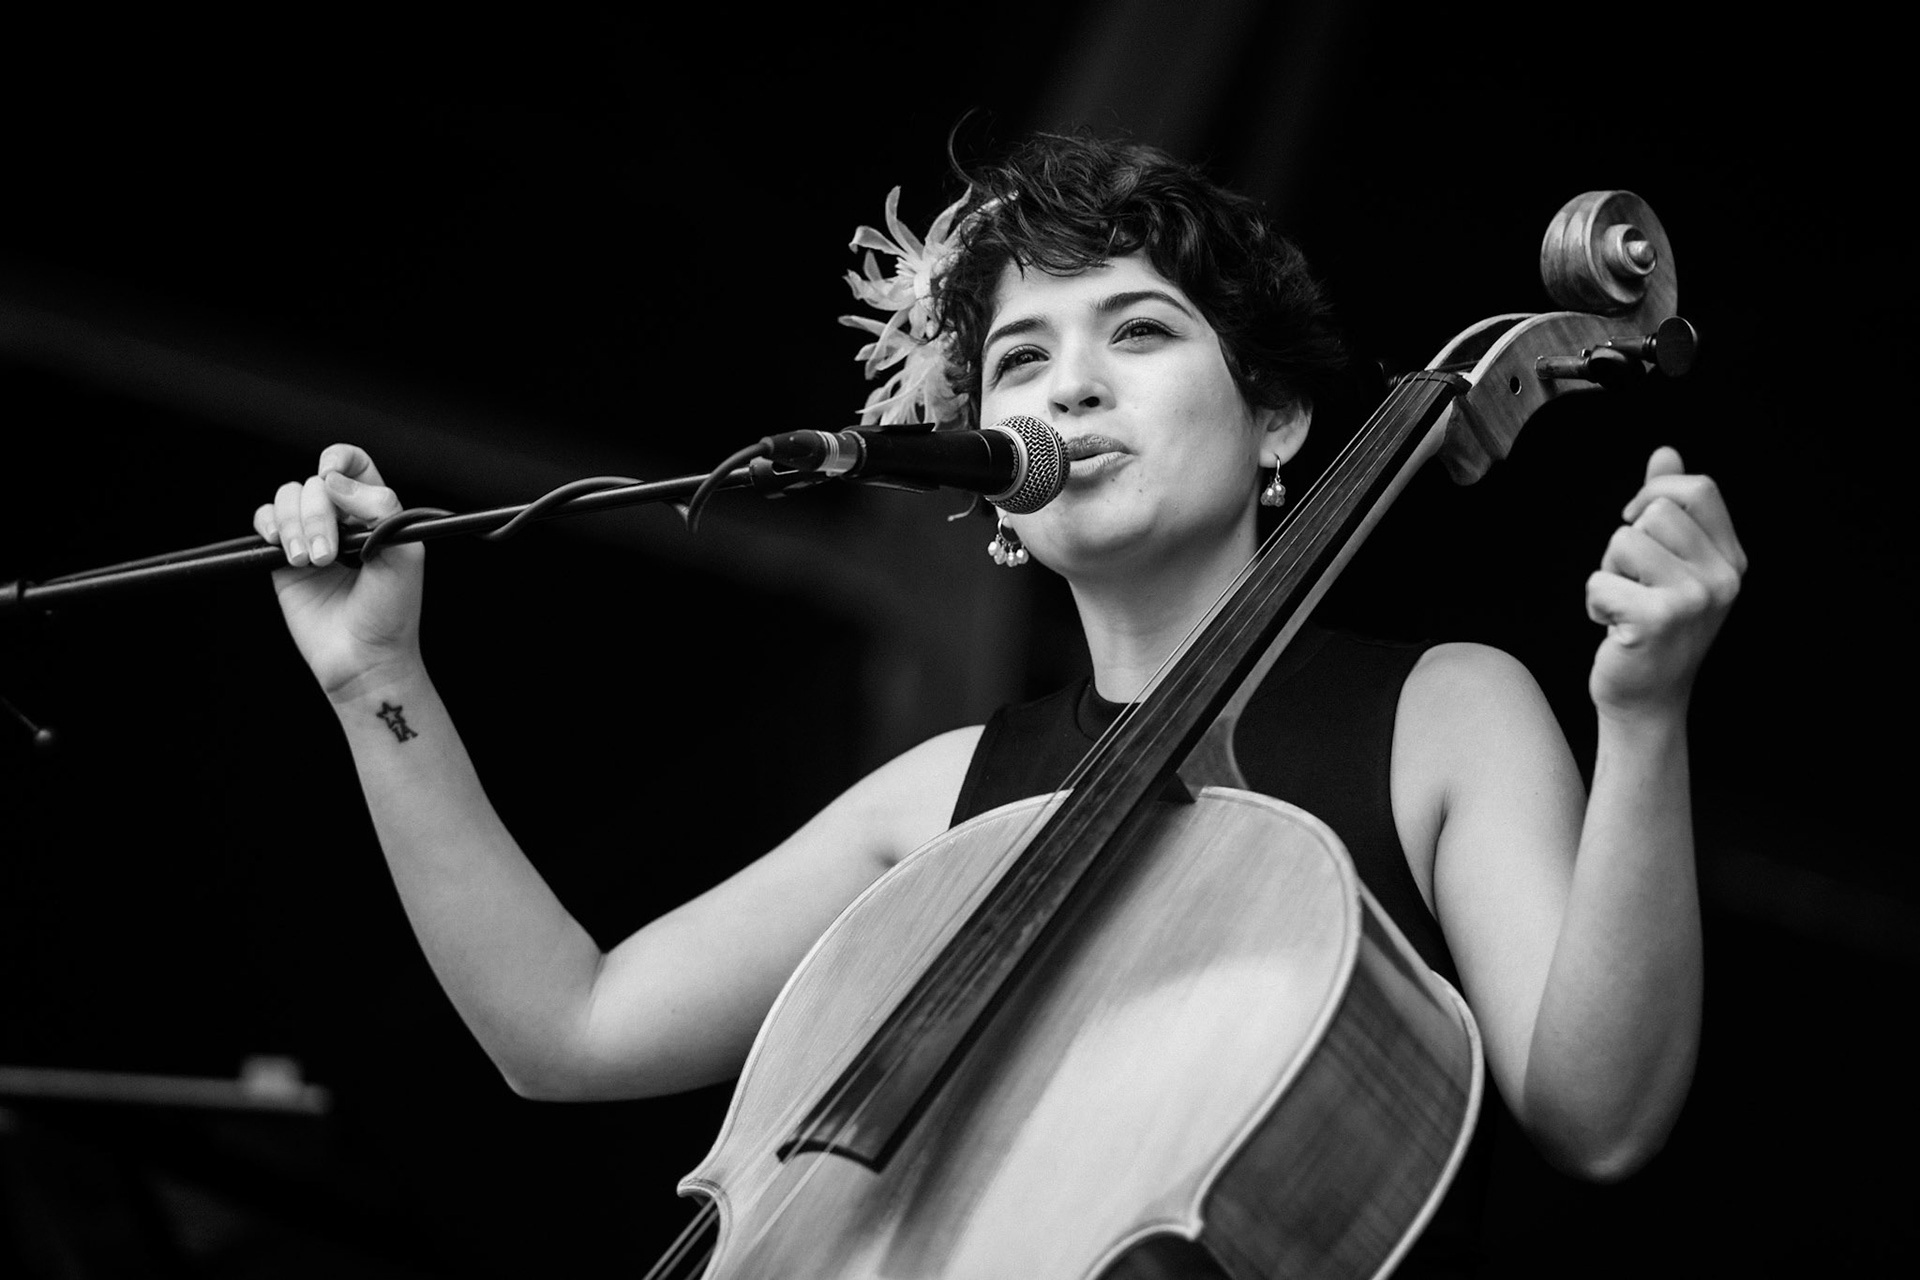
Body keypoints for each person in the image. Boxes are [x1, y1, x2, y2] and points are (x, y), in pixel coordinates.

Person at [252, 134, 1744, 1272]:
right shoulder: (953, 796)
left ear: (1278, 417)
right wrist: (375, 676)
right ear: (997, 488)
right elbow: (565, 1032)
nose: (1072, 388)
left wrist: (1649, 713)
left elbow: (1597, 1113)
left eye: (1142, 334)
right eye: (1024, 360)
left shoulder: (1441, 714)